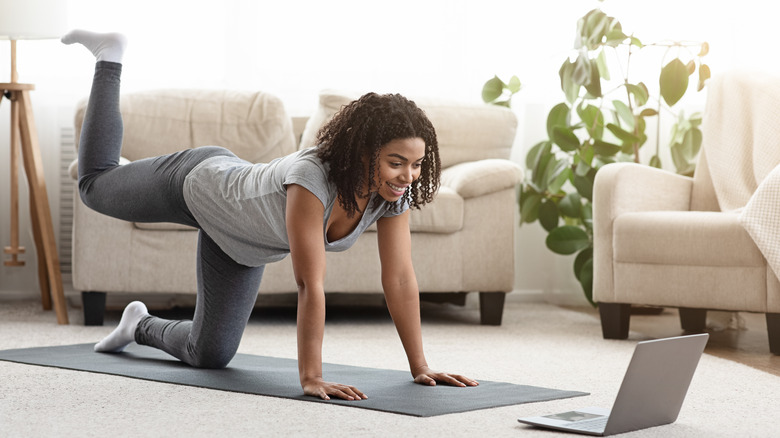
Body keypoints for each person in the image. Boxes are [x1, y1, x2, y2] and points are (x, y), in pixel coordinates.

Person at [61, 30, 478, 401]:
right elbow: (308, 283)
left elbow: (400, 278)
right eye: (396, 162)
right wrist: (312, 376)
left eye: (418, 164)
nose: (408, 176)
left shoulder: (390, 195)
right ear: (366, 153)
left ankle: (138, 324)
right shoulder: (311, 179)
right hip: (198, 183)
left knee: (209, 355)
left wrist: (420, 366)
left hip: (239, 241)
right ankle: (109, 58)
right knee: (94, 186)